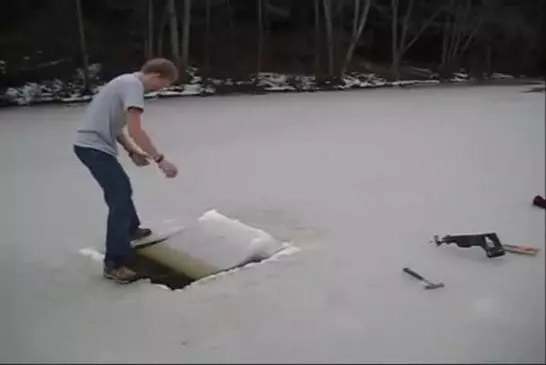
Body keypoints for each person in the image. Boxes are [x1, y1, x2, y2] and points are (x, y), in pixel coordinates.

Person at [74, 58, 179, 284]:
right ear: (156, 76)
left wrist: (132, 151)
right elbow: (135, 129)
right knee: (119, 197)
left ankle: (131, 230)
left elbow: (117, 127)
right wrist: (161, 160)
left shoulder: (124, 82)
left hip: (91, 146)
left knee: (121, 189)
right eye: (164, 84)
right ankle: (115, 262)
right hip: (93, 148)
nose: (161, 89)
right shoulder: (134, 86)